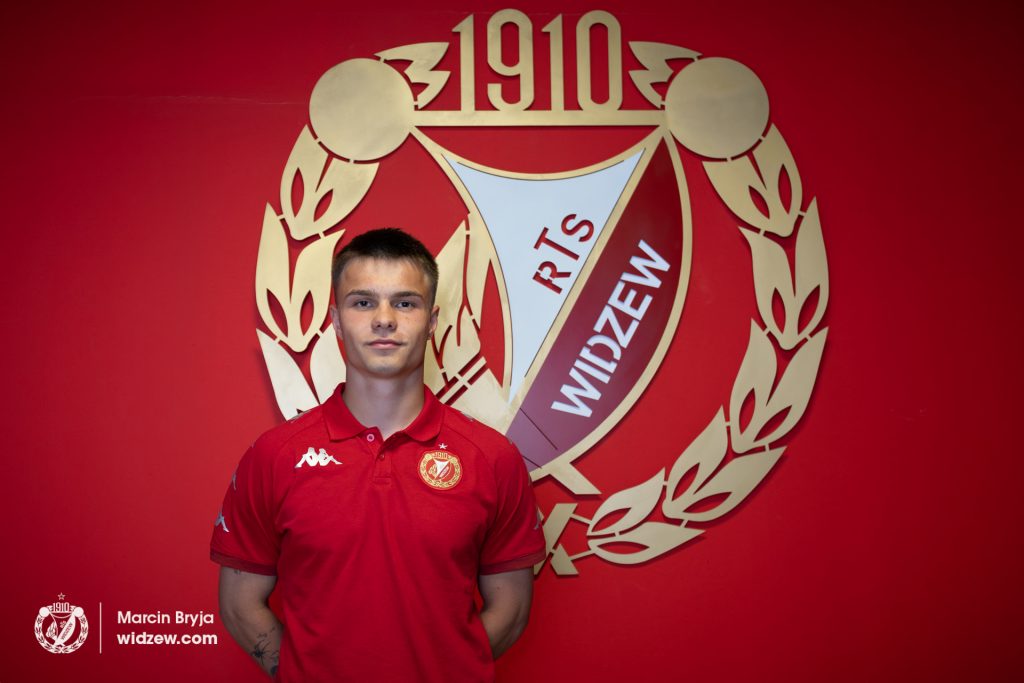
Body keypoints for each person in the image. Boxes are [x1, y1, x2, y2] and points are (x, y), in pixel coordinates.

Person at [210, 228, 546, 682]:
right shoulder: (274, 456)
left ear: (432, 320)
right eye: (363, 302)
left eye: (405, 303)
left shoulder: (492, 458)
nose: (384, 319)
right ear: (335, 320)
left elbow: (512, 608)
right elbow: (239, 604)